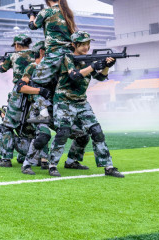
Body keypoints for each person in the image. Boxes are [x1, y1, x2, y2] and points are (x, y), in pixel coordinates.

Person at [48, 31, 124, 178]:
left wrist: (107, 66)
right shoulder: (67, 57)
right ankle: (52, 165)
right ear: (74, 45)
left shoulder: (88, 60)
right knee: (63, 132)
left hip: (81, 102)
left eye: (87, 44)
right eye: (82, 44)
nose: (86, 47)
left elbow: (100, 77)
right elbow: (74, 75)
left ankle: (107, 166)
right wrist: (94, 65)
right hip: (64, 101)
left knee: (97, 131)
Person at [16, 41, 90, 175]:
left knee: (82, 135)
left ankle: (71, 161)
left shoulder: (64, 65)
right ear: (42, 52)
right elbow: (20, 87)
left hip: (58, 109)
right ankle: (27, 164)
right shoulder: (34, 67)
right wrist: (40, 91)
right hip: (40, 109)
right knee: (43, 136)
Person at [0, 34, 36, 167]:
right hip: (35, 93)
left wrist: (2, 61)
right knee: (30, 127)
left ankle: (6, 159)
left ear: (17, 45)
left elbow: (2, 69)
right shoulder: (36, 55)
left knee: (6, 126)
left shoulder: (13, 56)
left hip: (19, 93)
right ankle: (32, 157)